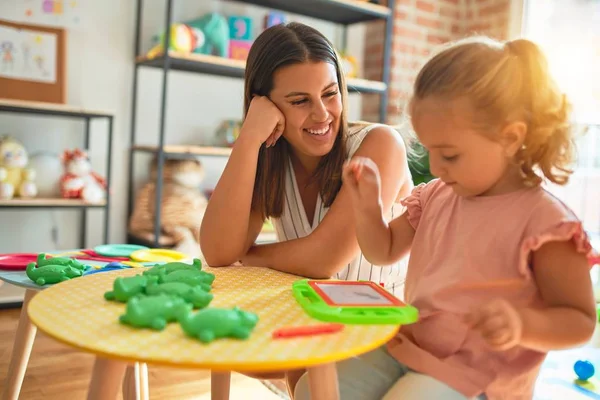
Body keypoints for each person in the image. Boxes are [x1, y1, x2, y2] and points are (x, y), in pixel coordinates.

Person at [294, 36, 597, 400]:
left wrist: (522, 325)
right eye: (428, 151)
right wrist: (367, 206)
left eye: (450, 155)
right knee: (315, 387)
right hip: (410, 347)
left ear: (511, 137)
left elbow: (580, 321)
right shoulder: (438, 194)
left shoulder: (546, 223)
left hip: (482, 377)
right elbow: (383, 250)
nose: (435, 167)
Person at [200, 22, 412, 294]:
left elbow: (325, 258)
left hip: (384, 328)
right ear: (264, 104)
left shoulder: (382, 144)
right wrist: (249, 138)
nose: (322, 114)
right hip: (310, 321)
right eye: (300, 101)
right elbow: (218, 253)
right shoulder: (272, 160)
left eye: (330, 93)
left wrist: (247, 256)